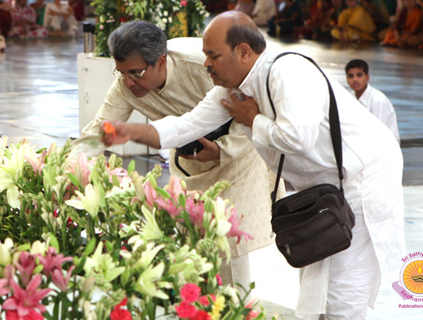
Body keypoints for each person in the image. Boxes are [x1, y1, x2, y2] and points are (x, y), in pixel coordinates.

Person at [102, 11, 404, 320]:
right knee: (318, 286)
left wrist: (252, 120)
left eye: (213, 55)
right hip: (324, 187)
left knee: (343, 291)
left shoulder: (288, 71)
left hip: (364, 178)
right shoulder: (232, 89)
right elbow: (186, 126)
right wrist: (132, 131)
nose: (206, 63)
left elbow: (299, 138)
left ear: (243, 52)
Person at [81, 21, 281, 289]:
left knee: (230, 237)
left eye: (136, 73)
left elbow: (250, 111)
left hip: (238, 149)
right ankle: (203, 304)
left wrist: (222, 150)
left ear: (161, 62)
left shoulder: (203, 65)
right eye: (122, 73)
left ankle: (238, 308)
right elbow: (97, 132)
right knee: (195, 238)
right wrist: (67, 168)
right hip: (189, 159)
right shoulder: (125, 86)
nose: (129, 82)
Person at [345, 59, 399, 141]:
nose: (355, 79)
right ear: (347, 79)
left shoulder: (378, 100)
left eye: (359, 75)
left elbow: (379, 134)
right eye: (351, 76)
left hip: (385, 146)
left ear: (367, 77)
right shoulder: (349, 98)